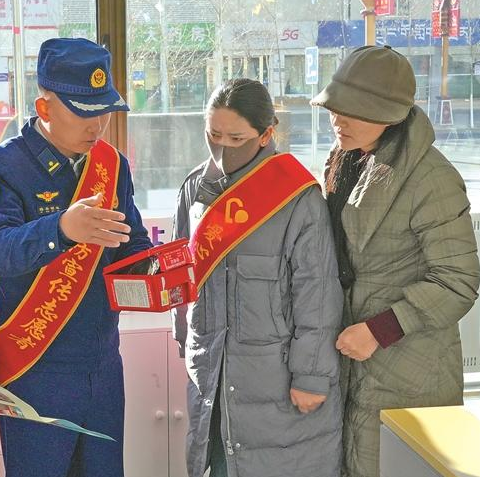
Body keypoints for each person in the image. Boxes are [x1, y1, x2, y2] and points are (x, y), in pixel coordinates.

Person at [0, 37, 152, 477]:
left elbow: (131, 241)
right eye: (83, 113)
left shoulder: (111, 165)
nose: (98, 125)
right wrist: (61, 230)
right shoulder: (2, 166)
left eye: (104, 111)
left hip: (102, 363)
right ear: (45, 107)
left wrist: (153, 267)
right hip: (36, 367)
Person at [311, 45, 480, 477]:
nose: (338, 120)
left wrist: (381, 329)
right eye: (335, 108)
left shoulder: (431, 178)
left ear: (391, 115)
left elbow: (459, 279)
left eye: (354, 111)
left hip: (409, 366)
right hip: (353, 357)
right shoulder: (347, 157)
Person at [172, 78, 343, 477]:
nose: (222, 147)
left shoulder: (296, 197)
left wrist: (312, 375)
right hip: (212, 373)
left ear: (266, 135)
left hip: (276, 378)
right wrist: (186, 340)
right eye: (213, 134)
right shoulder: (196, 189)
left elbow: (317, 293)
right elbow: (183, 273)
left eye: (236, 138)